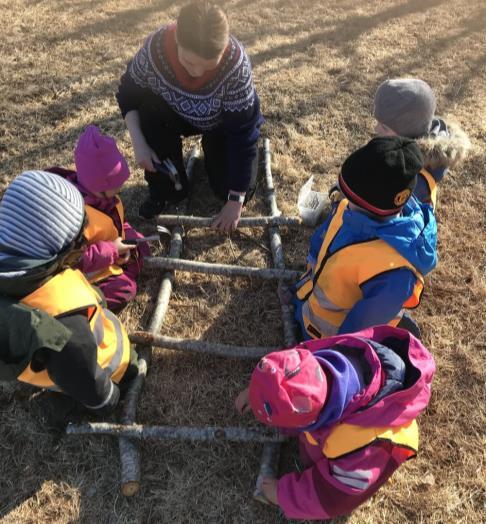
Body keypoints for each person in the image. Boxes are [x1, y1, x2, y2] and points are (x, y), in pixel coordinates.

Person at [235, 325, 436, 520]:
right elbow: (286, 371)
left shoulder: (362, 445)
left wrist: (282, 494)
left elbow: (332, 496)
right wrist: (256, 392)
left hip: (379, 454)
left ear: (312, 420)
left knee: (329, 462)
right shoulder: (321, 359)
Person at [116, 1, 263, 231]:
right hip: (175, 114)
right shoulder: (156, 48)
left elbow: (242, 134)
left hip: (222, 124)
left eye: (208, 66)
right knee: (171, 191)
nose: (197, 73)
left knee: (229, 191)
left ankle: (213, 145)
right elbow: (127, 94)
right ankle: (167, 180)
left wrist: (235, 200)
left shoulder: (235, 64)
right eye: (190, 62)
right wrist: (139, 143)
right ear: (177, 39)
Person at [0, 170, 138, 416]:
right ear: (56, 249)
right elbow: (83, 373)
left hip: (41, 357)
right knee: (123, 369)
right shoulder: (65, 326)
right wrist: (109, 397)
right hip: (102, 366)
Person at [293, 136, 437, 340]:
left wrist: (329, 355)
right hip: (308, 300)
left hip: (325, 337)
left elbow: (358, 332)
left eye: (348, 196)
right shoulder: (351, 210)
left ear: (368, 204)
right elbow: (323, 240)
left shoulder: (394, 272)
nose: (343, 201)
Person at [47, 125, 150, 312]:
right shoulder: (75, 215)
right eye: (116, 187)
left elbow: (116, 222)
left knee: (141, 246)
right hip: (86, 270)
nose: (119, 190)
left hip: (109, 251)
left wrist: (127, 235)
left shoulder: (106, 198)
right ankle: (83, 302)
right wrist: (112, 250)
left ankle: (126, 268)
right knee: (123, 290)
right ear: (100, 186)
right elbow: (73, 259)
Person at [374, 78, 470, 205]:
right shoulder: (421, 125)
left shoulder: (411, 179)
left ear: (408, 134)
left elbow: (381, 208)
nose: (376, 129)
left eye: (384, 127)